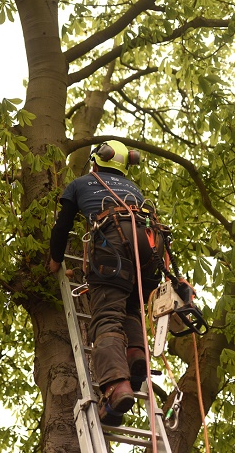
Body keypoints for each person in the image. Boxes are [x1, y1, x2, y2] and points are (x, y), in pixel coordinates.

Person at [48, 140, 165, 427]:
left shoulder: (80, 183)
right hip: (150, 252)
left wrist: (54, 259)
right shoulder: (134, 191)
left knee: (107, 318)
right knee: (131, 308)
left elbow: (62, 226)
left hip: (113, 248)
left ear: (96, 160)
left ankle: (116, 388)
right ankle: (136, 354)